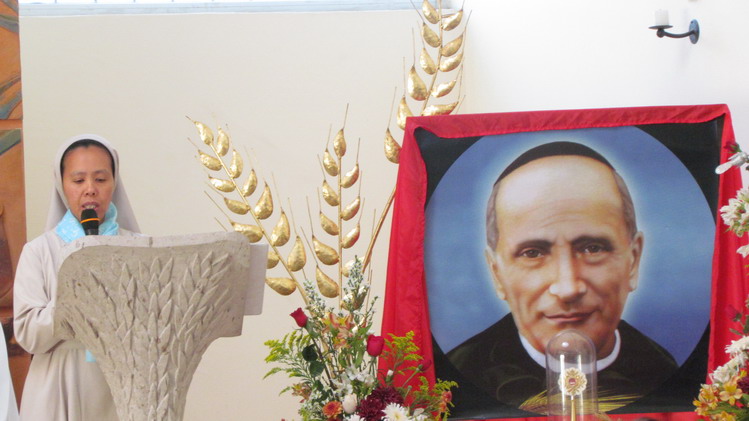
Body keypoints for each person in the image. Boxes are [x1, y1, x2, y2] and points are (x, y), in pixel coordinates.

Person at [446, 142, 678, 412]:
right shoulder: (457, 381)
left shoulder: (669, 376)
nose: (568, 288)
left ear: (633, 261)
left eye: (593, 248)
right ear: (497, 273)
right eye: (533, 253)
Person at [13, 135, 140, 420]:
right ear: (62, 185)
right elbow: (28, 335)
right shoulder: (39, 251)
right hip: (59, 383)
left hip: (121, 384)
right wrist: (72, 299)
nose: (90, 189)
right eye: (79, 180)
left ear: (114, 183)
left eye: (101, 179)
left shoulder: (138, 248)